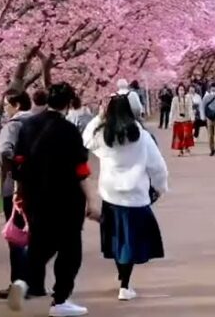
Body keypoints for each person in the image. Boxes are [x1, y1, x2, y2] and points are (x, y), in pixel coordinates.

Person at [7, 83, 99, 317]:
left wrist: (19, 191)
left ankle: (22, 282)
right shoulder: (68, 130)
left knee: (41, 245)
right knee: (70, 250)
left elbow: (17, 161)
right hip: (66, 198)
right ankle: (60, 300)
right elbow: (81, 170)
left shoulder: (28, 126)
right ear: (68, 104)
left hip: (35, 196)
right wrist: (92, 200)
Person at [83, 94, 169, 301]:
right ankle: (125, 284)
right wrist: (160, 187)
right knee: (130, 241)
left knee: (117, 238)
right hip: (135, 195)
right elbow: (157, 165)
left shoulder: (103, 133)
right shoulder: (140, 134)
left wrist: (98, 117)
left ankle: (123, 277)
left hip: (111, 194)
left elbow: (85, 139)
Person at [0, 89, 34, 300]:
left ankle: (19, 284)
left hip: (16, 187)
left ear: (17, 105)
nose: (5, 109)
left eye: (6, 105)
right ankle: (35, 283)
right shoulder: (40, 122)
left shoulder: (13, 126)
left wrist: (18, 166)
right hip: (39, 187)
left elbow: (3, 149)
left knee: (16, 236)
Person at [169, 83, 196, 156]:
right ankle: (181, 150)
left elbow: (190, 109)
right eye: (180, 90)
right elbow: (172, 110)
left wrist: (192, 117)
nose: (181, 91)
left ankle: (186, 147)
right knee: (179, 136)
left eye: (182, 90)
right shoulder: (174, 99)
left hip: (186, 119)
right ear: (177, 91)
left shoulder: (188, 98)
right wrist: (170, 121)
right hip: (178, 120)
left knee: (186, 135)